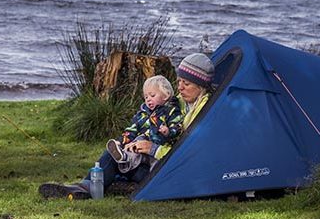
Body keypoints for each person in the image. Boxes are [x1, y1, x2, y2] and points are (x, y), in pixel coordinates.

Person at [39, 53, 214, 199]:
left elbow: (187, 154)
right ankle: (85, 187)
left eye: (186, 83)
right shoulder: (181, 103)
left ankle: (94, 186)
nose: (180, 88)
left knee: (119, 161)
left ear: (200, 86)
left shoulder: (204, 111)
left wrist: (152, 149)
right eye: (179, 81)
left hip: (166, 171)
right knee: (117, 150)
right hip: (154, 162)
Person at [106, 75, 183, 173]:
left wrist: (168, 132)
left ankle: (156, 180)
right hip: (141, 146)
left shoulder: (171, 110)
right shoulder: (142, 114)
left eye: (152, 95)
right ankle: (124, 157)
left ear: (166, 95)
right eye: (146, 97)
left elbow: (177, 126)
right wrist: (120, 141)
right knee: (135, 144)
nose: (148, 99)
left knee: (158, 166)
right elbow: (131, 130)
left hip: (160, 147)